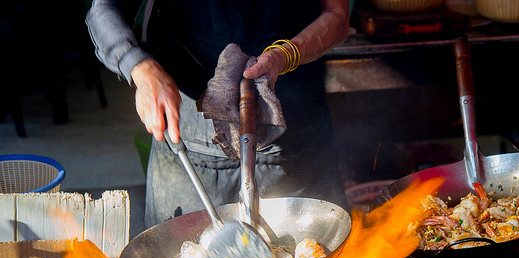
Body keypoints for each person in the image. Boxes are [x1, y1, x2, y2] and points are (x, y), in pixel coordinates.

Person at [86, 0, 350, 228]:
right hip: (189, 151)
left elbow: (337, 16)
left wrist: (286, 54)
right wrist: (140, 66)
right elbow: (104, 10)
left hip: (296, 151)